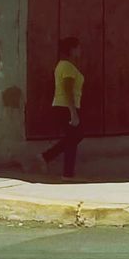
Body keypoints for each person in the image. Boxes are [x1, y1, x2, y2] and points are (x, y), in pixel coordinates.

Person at [39, 36, 85, 178]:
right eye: (78, 47)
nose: (80, 50)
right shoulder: (67, 67)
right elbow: (67, 89)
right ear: (72, 49)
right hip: (65, 107)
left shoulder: (63, 65)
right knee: (75, 137)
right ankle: (64, 171)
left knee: (74, 137)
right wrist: (73, 112)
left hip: (63, 106)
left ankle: (50, 159)